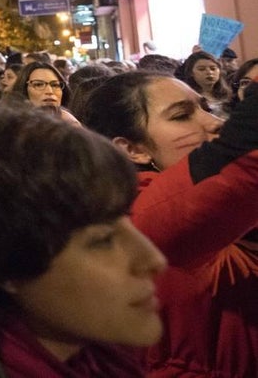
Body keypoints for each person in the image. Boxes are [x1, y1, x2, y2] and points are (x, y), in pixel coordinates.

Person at [0, 105, 166, 376]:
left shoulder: (90, 354)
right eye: (103, 240)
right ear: (4, 264)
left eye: (127, 217)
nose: (154, 259)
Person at [83, 71, 258, 377]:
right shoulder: (134, 218)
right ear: (133, 149)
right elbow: (235, 166)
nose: (214, 122)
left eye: (205, 107)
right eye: (181, 116)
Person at [7, 61, 80, 125]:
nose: (50, 91)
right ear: (23, 89)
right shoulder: (10, 125)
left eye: (55, 85)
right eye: (38, 84)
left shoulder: (71, 124)